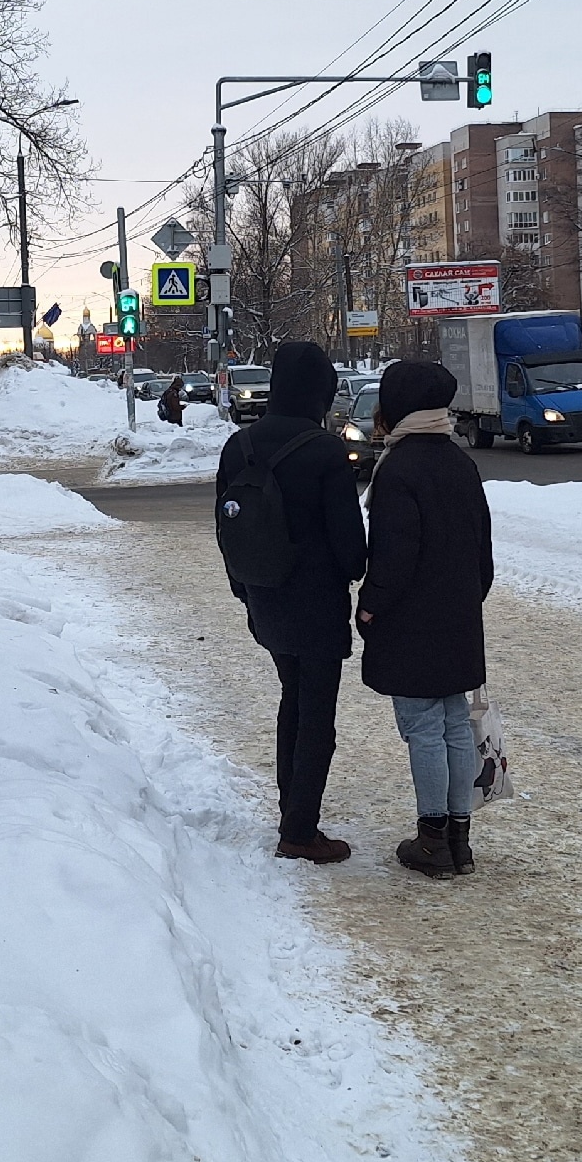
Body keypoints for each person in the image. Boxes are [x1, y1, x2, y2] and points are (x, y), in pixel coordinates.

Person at [216, 341, 366, 862]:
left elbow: (226, 526)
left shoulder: (240, 446)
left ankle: (292, 813)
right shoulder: (324, 451)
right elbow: (350, 549)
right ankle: (300, 830)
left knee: (291, 701)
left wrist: (247, 590)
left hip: (266, 598)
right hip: (317, 603)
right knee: (316, 713)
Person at [354, 359, 493, 879]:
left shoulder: (398, 469)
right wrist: (463, 601)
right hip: (458, 618)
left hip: (411, 622)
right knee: (456, 724)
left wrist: (371, 605)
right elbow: (484, 554)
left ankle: (431, 839)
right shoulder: (461, 462)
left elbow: (394, 555)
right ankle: (459, 839)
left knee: (422, 729)